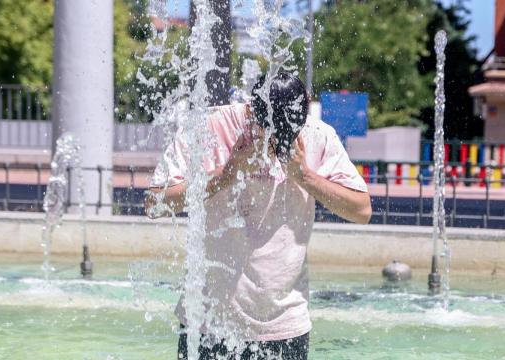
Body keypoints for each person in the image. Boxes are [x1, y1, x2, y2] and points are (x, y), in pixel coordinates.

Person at [145, 72, 372, 359]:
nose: (278, 141)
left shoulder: (316, 134)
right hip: (206, 324)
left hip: (284, 326)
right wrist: (225, 176)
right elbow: (154, 204)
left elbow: (362, 211)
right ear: (252, 109)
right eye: (269, 132)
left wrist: (304, 176)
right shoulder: (208, 126)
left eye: (288, 134)